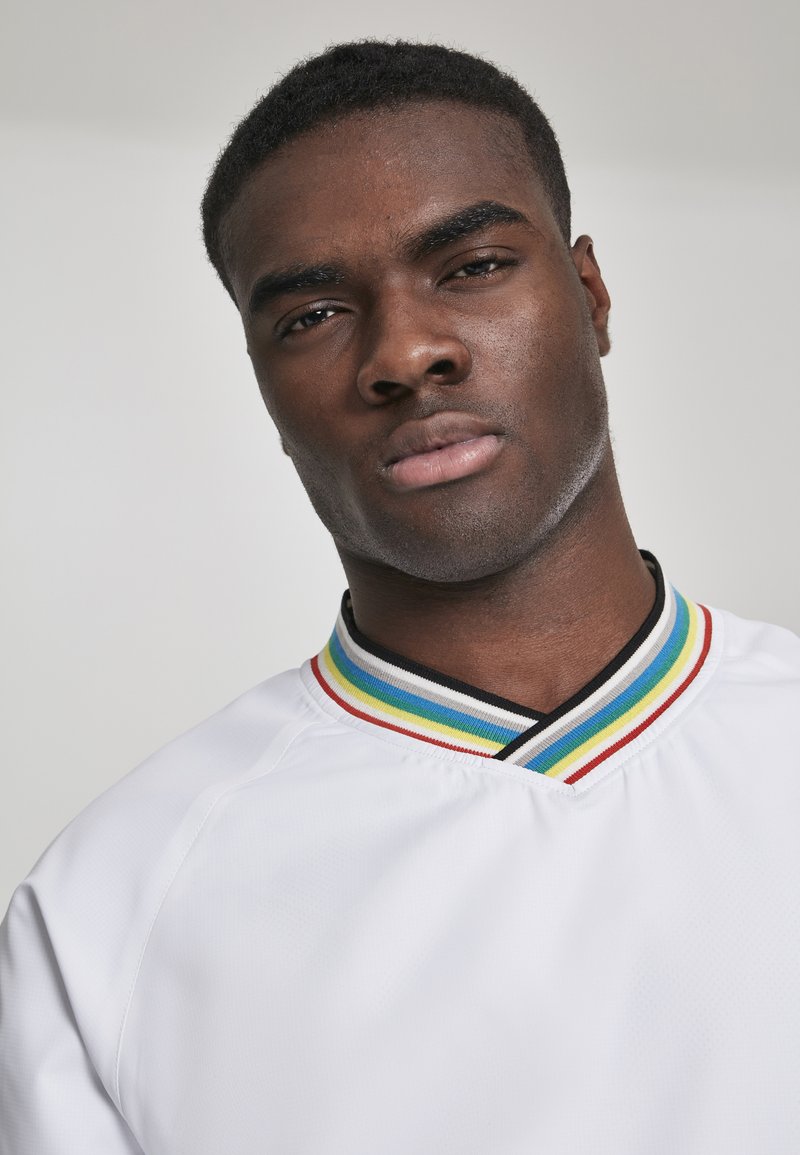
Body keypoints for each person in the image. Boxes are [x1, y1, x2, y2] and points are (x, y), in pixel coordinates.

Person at [1, 39, 799, 1155]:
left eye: (472, 265)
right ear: (264, 389)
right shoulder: (108, 907)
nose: (406, 353)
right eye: (312, 315)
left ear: (589, 296)